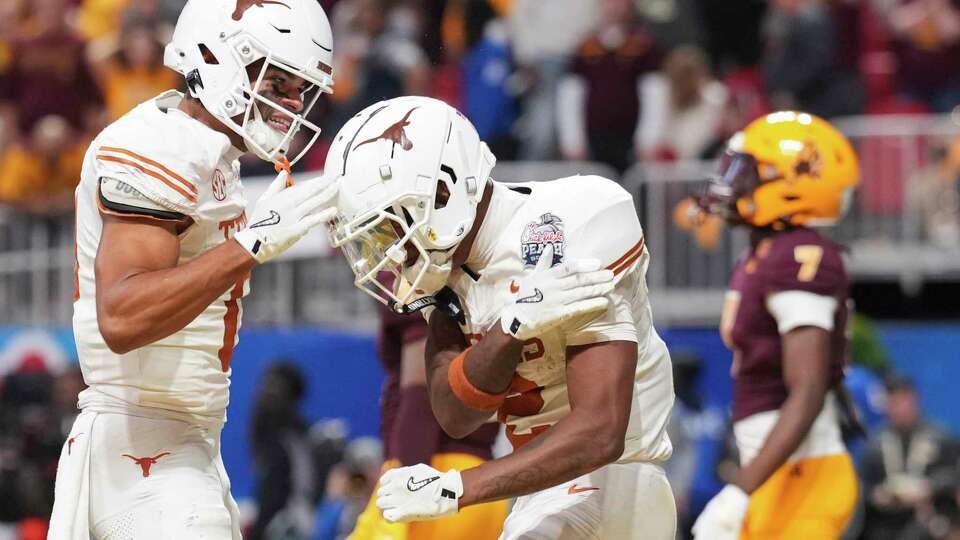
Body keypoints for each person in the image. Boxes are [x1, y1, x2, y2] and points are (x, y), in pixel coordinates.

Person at [47, 0, 338, 538]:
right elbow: (122, 317)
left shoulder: (209, 153)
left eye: (301, 90)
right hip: (142, 446)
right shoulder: (156, 145)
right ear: (215, 57)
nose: (291, 105)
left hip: (175, 442)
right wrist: (249, 245)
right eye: (277, 83)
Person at [325, 96, 677, 539]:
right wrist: (508, 329)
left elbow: (601, 431)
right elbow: (455, 415)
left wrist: (455, 488)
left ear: (441, 193)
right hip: (536, 491)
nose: (385, 253)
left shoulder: (576, 218)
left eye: (386, 228)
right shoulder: (443, 277)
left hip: (613, 483)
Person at [690, 111, 861, 539]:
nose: (732, 182)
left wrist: (740, 491)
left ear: (791, 184)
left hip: (803, 475)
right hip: (778, 471)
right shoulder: (768, 252)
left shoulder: (797, 256)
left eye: (747, 171)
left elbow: (807, 388)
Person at [349, 277, 507, 540]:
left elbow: (420, 398)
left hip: (431, 475)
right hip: (475, 480)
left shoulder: (418, 275)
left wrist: (404, 488)